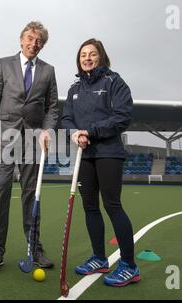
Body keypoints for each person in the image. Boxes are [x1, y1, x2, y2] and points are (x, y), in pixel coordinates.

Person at [61, 38, 140, 287]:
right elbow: (66, 118)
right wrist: (74, 133)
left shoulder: (114, 82)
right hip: (85, 154)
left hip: (108, 152)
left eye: (92, 54)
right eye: (83, 54)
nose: (87, 58)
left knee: (112, 205)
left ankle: (129, 265)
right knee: (90, 207)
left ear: (101, 56)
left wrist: (90, 132)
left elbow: (122, 116)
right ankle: (99, 258)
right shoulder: (74, 89)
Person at [0, 21, 59, 271]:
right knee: (2, 190)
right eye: (30, 38)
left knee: (31, 193)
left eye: (39, 41)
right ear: (21, 39)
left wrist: (47, 131)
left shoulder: (48, 71)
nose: (33, 44)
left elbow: (52, 107)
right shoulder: (3, 64)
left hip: (32, 140)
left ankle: (34, 248)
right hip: (4, 137)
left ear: (43, 45)